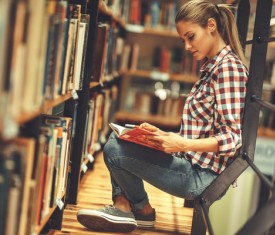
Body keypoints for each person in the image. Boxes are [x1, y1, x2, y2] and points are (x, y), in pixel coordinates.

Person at [77, 0, 248, 233]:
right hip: (192, 164)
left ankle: (133, 209)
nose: (187, 46)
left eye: (191, 36)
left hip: (201, 177)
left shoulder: (228, 69)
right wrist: (163, 136)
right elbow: (204, 130)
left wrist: (180, 143)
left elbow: (232, 139)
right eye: (183, 40)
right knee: (122, 139)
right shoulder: (213, 67)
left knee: (115, 150)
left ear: (211, 26)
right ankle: (129, 208)